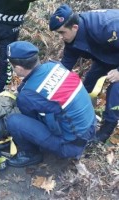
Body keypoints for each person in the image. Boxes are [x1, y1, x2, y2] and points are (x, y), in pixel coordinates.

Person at [5, 41, 96, 168]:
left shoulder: (27, 95)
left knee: (13, 121)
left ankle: (31, 155)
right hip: (90, 127)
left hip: (70, 145)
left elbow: (32, 117)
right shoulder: (54, 65)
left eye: (12, 66)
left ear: (19, 68)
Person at [49, 4, 119, 142]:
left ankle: (105, 133)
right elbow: (65, 66)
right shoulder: (72, 38)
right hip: (107, 56)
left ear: (74, 27)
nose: (60, 37)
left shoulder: (107, 26)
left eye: (62, 33)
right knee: (87, 87)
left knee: (115, 91)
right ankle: (85, 120)